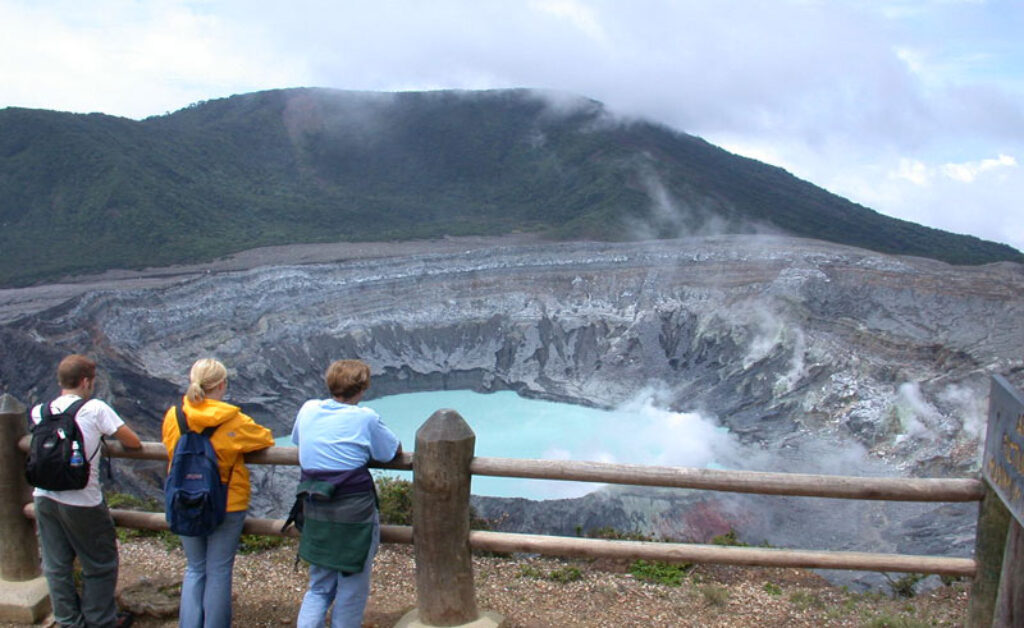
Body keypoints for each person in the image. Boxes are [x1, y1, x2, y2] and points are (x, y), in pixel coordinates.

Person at [31, 354, 142, 628]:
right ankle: (100, 621)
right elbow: (133, 441)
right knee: (100, 563)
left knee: (56, 565)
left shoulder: (40, 411)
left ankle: (68, 621)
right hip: (82, 500)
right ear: (85, 382)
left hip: (43, 497)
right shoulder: (94, 409)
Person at [161, 358, 274, 628]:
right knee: (219, 569)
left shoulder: (175, 416)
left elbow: (169, 446)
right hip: (226, 503)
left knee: (195, 568)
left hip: (183, 499)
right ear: (222, 385)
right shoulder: (233, 419)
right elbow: (265, 438)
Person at [292, 359, 402, 628]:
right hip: (355, 515)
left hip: (316, 508)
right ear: (362, 388)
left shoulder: (308, 410)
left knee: (318, 586)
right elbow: (390, 451)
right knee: (352, 587)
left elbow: (298, 440)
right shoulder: (365, 418)